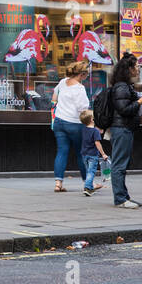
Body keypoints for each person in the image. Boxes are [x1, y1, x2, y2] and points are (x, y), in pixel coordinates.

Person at [108, 52, 142, 208]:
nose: (138, 69)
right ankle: (120, 198)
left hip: (125, 128)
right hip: (121, 129)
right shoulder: (121, 87)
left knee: (122, 163)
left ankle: (124, 196)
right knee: (119, 164)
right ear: (129, 69)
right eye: (137, 66)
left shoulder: (125, 86)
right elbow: (124, 109)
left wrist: (141, 113)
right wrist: (140, 101)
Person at [50, 60, 90, 192]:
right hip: (75, 124)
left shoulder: (63, 82)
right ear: (82, 74)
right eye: (87, 74)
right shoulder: (79, 88)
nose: (88, 76)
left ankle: (58, 183)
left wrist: (58, 105)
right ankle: (88, 183)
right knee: (81, 153)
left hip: (59, 122)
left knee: (62, 151)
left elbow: (54, 96)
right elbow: (82, 109)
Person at [78, 109, 107, 195]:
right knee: (91, 171)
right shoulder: (95, 131)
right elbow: (97, 143)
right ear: (92, 119)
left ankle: (90, 188)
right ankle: (87, 188)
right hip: (93, 155)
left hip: (84, 154)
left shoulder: (83, 129)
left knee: (88, 171)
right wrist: (103, 154)